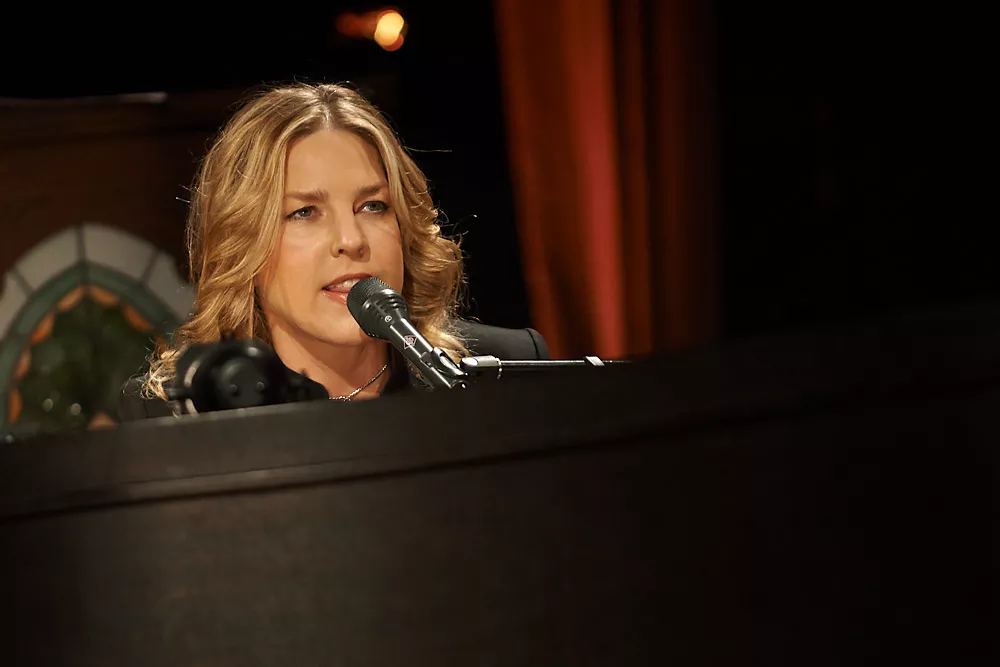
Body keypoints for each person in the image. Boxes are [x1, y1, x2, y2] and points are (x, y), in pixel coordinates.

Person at [119, 82, 548, 421]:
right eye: (304, 212)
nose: (351, 239)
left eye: (373, 206)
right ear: (241, 243)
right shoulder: (173, 417)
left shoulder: (507, 372)